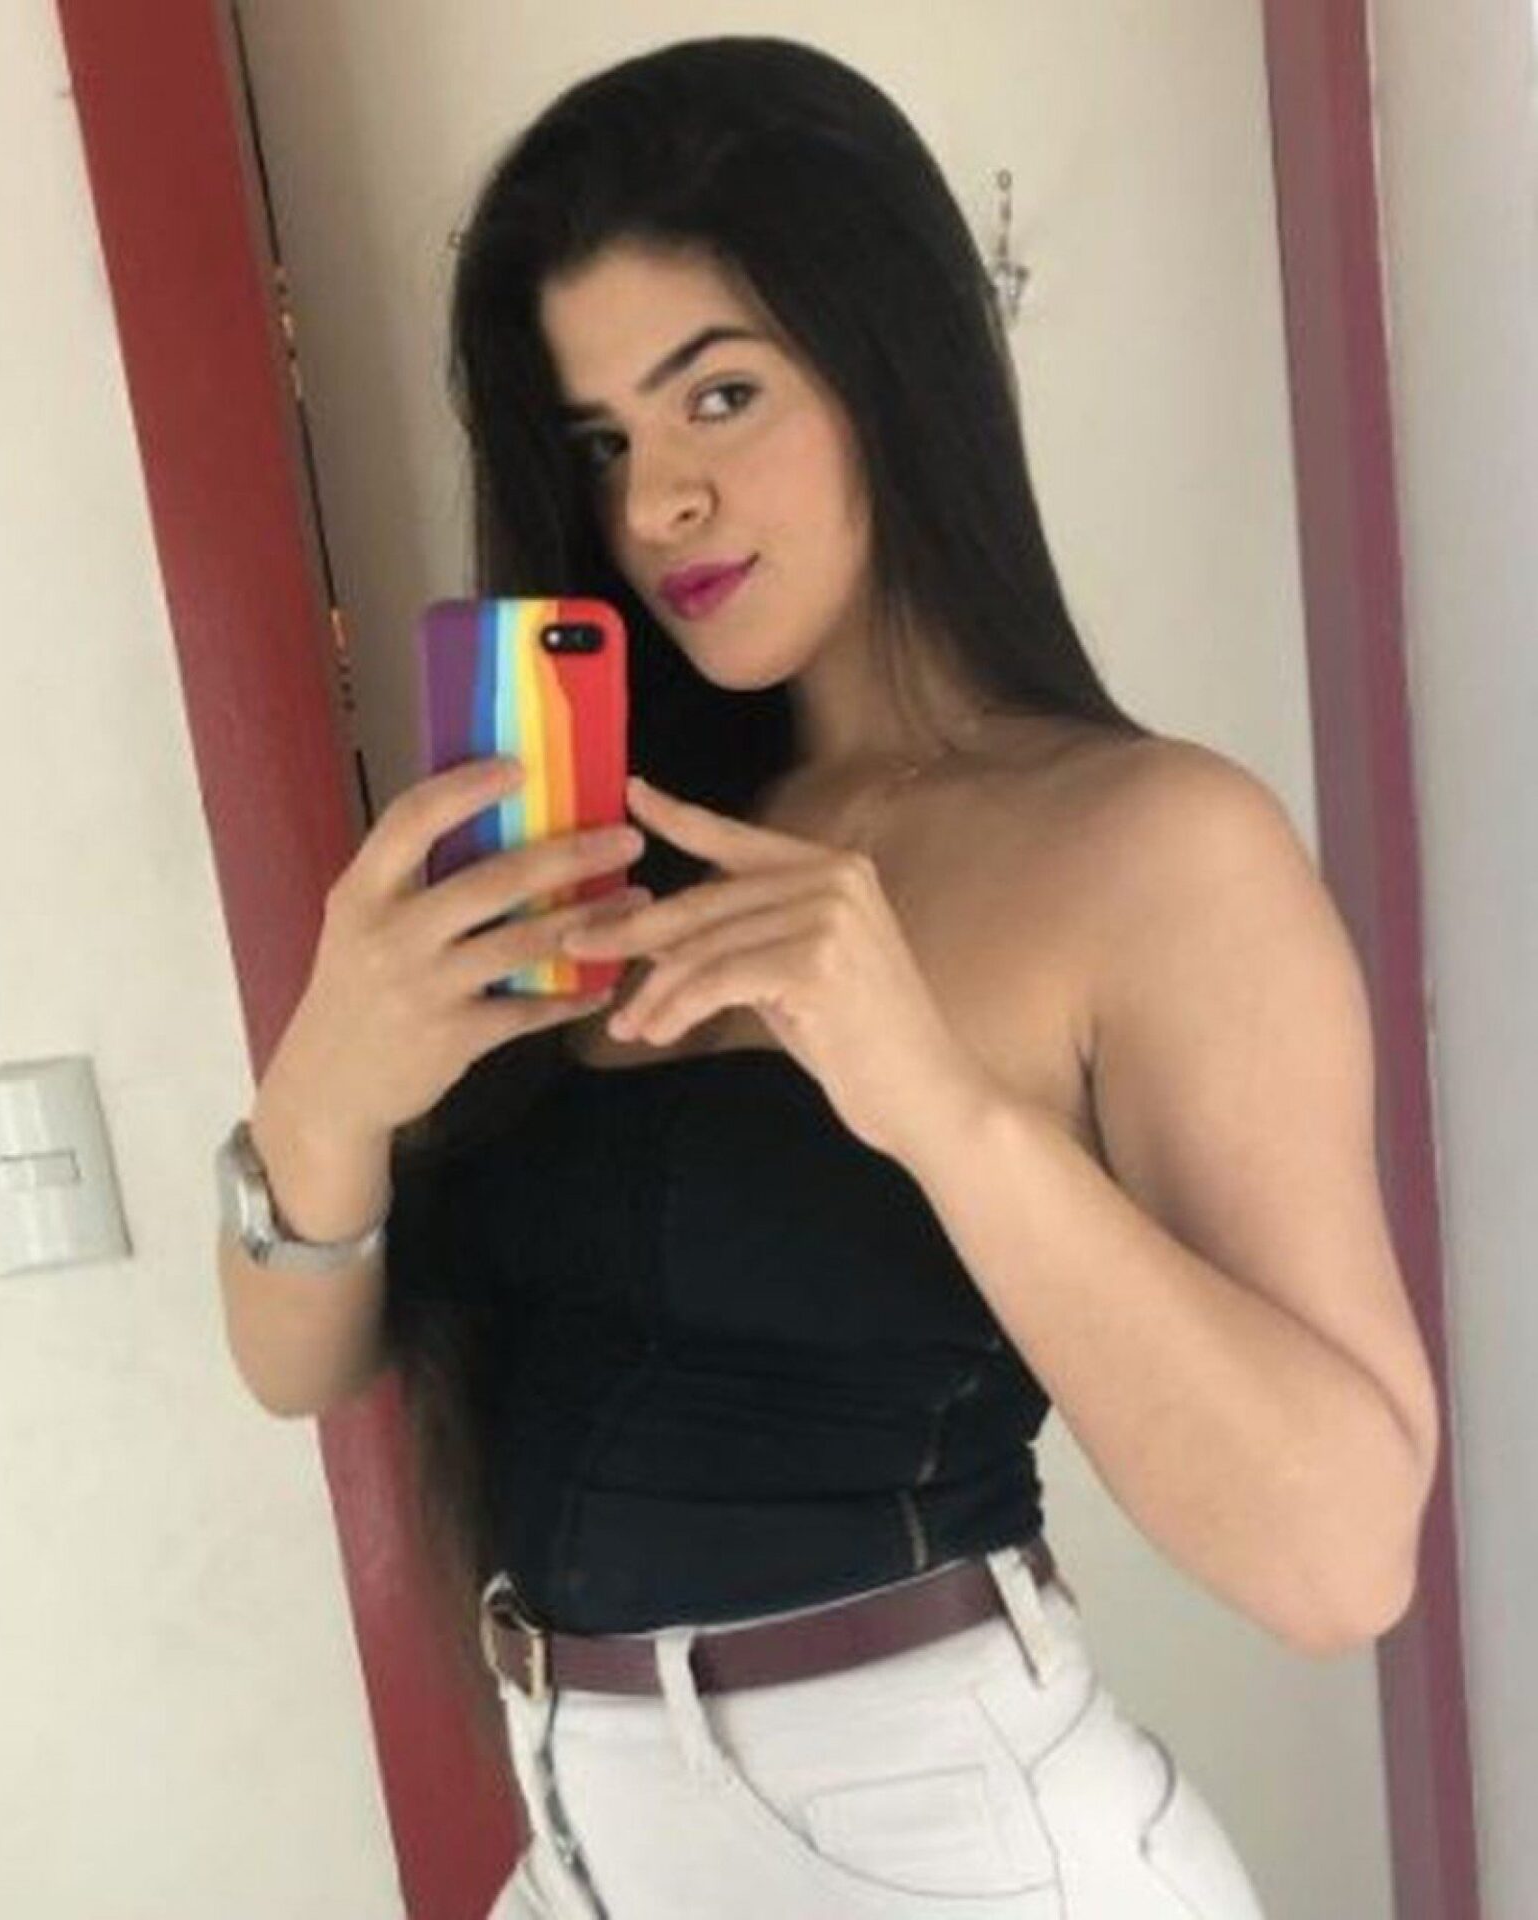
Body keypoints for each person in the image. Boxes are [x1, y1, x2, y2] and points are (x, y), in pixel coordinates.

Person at [219, 33, 1438, 1920]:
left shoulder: (1150, 846)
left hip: (937, 1842)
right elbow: (301, 1368)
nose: (660, 503)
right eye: (604, 442)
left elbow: (1338, 1560)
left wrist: (935, 1102)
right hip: (582, 1841)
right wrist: (328, 1091)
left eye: (721, 395)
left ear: (894, 367)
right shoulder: (608, 838)